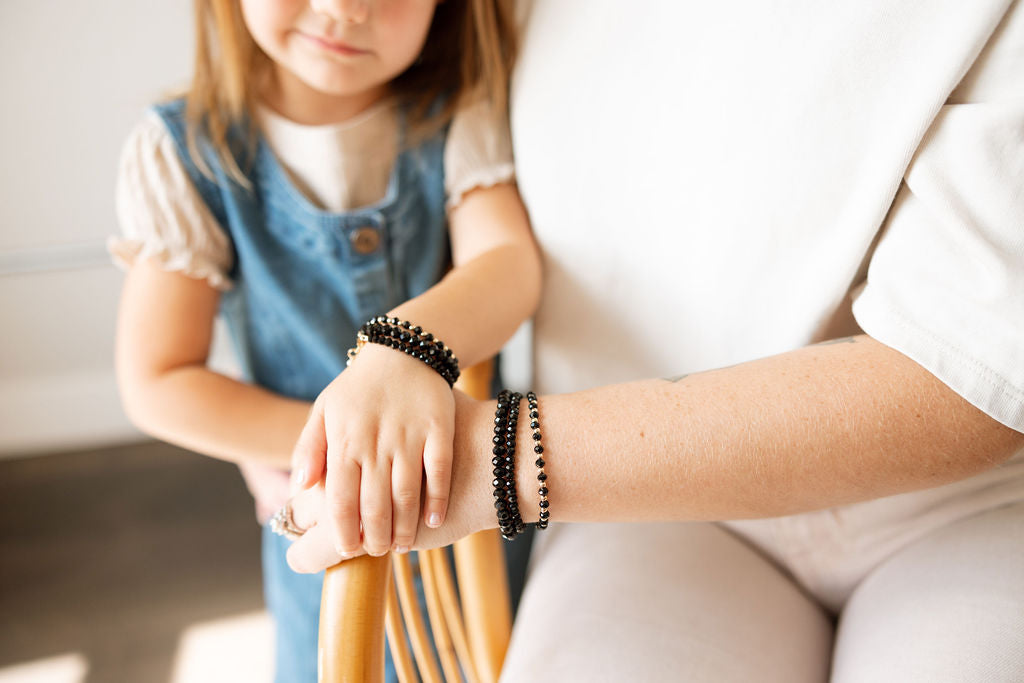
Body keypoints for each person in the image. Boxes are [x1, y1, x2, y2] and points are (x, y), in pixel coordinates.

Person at [286, 1, 1024, 680]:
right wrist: (404, 348)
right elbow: (496, 247)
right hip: (637, 504)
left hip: (966, 506)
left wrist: (507, 456)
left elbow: (973, 362)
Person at [110, 0, 537, 681]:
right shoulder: (187, 150)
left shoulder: (457, 109)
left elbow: (509, 265)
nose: (346, 8)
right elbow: (158, 379)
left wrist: (401, 352)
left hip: (469, 517)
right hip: (320, 539)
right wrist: (339, 445)